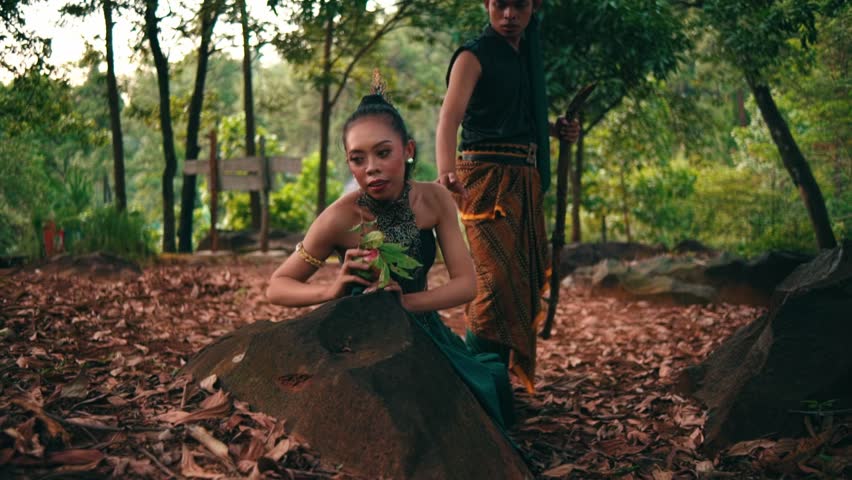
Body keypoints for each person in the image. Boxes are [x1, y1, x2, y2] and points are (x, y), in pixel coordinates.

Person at [266, 80, 516, 428]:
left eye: (383, 153)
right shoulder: (339, 216)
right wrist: (332, 290)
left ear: (407, 149)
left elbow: (466, 285)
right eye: (358, 158)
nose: (371, 167)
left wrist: (405, 304)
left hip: (422, 329)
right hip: (355, 335)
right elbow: (277, 286)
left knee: (472, 397)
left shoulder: (434, 200)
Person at [435, 0, 580, 393]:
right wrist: (446, 170)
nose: (509, 15)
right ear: (487, 5)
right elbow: (449, 117)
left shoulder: (527, 55)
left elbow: (517, 116)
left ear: (532, 7)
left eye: (519, 5)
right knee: (493, 283)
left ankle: (497, 384)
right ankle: (479, 386)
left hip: (525, 177)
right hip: (483, 177)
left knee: (520, 281)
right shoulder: (472, 55)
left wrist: (556, 130)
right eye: (500, 5)